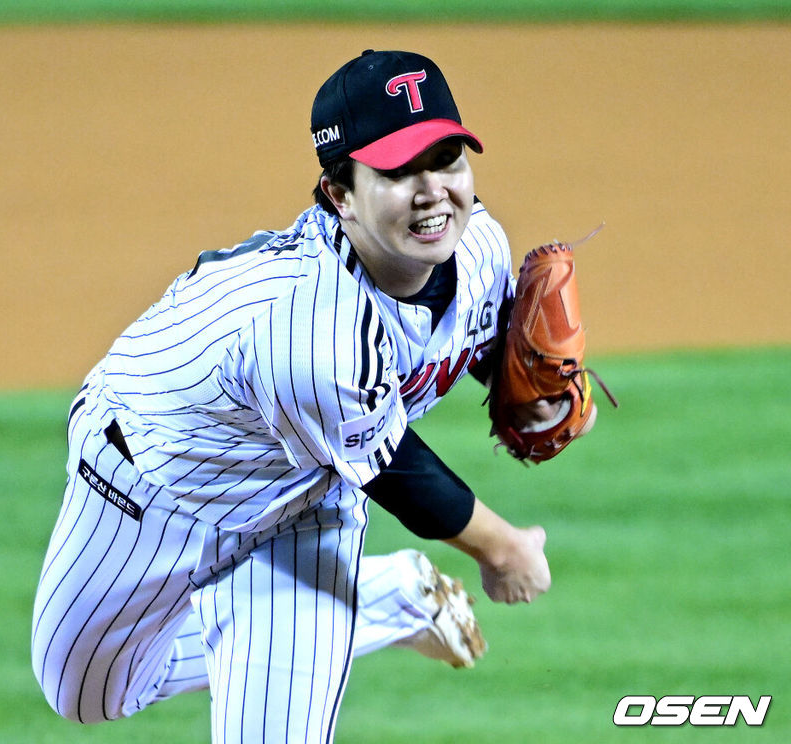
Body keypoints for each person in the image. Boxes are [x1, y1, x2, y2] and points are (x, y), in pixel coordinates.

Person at [31, 49, 558, 743]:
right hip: (154, 480)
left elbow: (480, 330)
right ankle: (386, 599)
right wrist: (506, 549)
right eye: (399, 170)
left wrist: (525, 392)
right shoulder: (309, 325)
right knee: (89, 694)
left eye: (448, 157)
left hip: (306, 500)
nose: (434, 190)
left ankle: (319, 619)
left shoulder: (480, 244)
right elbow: (397, 469)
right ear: (340, 194)